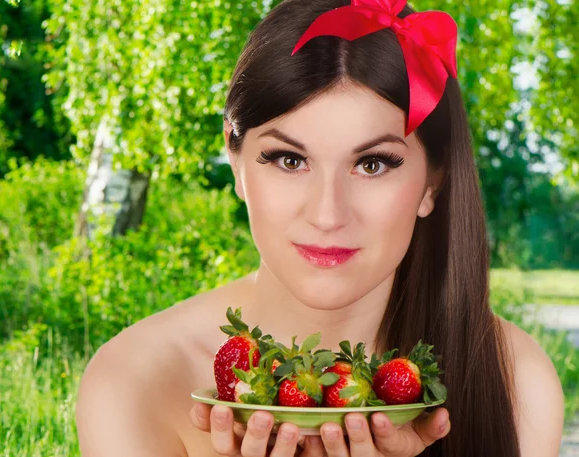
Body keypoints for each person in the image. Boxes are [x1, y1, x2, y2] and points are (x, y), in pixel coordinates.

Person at [74, 0, 565, 456]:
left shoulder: (516, 380)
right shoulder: (132, 381)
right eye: (289, 159)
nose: (328, 215)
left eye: (372, 165)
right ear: (237, 161)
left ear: (432, 182)